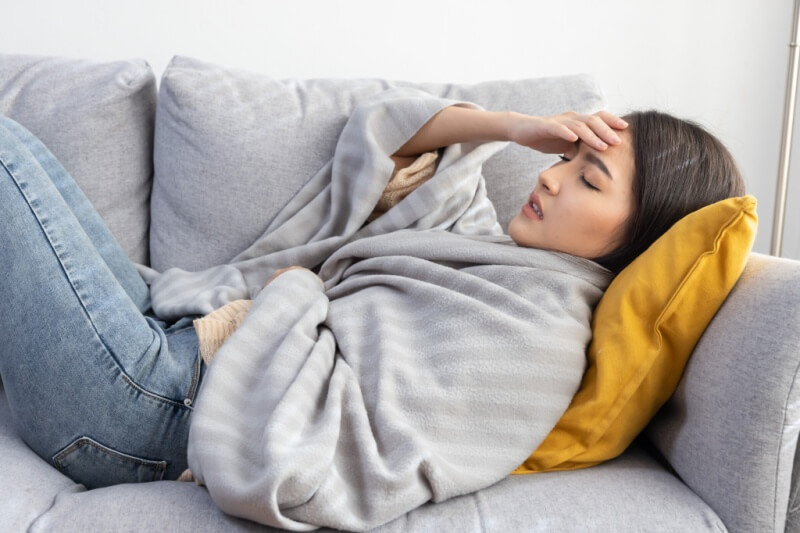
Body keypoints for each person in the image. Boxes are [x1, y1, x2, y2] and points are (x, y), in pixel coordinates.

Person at [0, 97, 744, 492]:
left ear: (642, 236)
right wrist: (518, 125)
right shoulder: (495, 252)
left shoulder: (539, 329)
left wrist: (292, 303)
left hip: (145, 414)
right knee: (17, 142)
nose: (550, 175)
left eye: (589, 178)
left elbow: (349, 443)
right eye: (569, 156)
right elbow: (398, 136)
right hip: (172, 348)